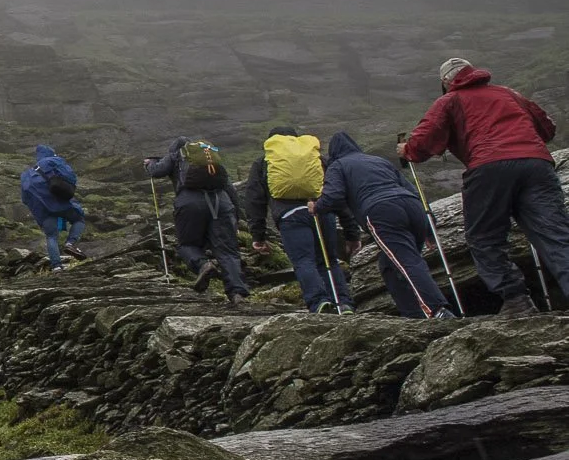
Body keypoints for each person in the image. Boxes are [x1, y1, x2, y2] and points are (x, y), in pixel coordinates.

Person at [400, 57, 569, 318]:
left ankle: (516, 301)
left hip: (488, 167)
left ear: (446, 82)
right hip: (537, 165)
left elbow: (423, 141)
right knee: (556, 234)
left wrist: (407, 150)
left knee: (485, 237)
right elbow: (546, 128)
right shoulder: (508, 94)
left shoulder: (449, 101)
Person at [319, 130, 453, 318]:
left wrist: (315, 207)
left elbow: (332, 197)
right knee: (389, 265)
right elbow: (413, 190)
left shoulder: (338, 166)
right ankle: (413, 315)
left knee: (407, 261)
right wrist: (429, 228)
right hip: (413, 208)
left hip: (381, 211)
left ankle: (437, 310)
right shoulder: (378, 161)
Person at [243, 127, 353, 313]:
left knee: (304, 261)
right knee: (329, 260)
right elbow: (336, 193)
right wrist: (351, 230)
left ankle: (318, 302)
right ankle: (343, 302)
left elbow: (255, 200)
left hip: (291, 216)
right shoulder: (316, 158)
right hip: (322, 212)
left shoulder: (265, 161)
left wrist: (258, 235)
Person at [142, 137, 249, 302]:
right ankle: (237, 293)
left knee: (188, 244)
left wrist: (149, 164)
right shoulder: (209, 157)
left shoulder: (176, 155)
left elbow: (157, 171)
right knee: (227, 251)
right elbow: (229, 187)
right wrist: (237, 215)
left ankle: (203, 265)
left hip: (190, 202)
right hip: (221, 202)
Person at [19, 143, 88, 270]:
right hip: (59, 202)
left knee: (51, 236)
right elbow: (69, 176)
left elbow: (24, 199)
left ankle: (56, 267)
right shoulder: (53, 160)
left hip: (42, 210)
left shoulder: (26, 175)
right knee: (79, 219)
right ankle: (70, 243)